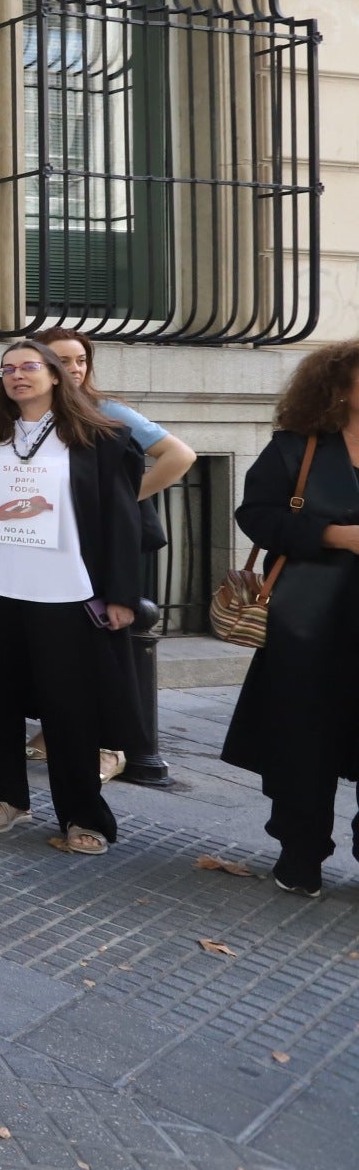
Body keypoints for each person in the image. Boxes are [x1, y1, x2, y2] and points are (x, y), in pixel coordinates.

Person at [0, 339, 143, 856]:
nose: (17, 376)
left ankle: (82, 815)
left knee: (71, 710)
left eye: (29, 367)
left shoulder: (102, 439)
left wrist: (122, 594)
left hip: (64, 593)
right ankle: (5, 797)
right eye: (8, 369)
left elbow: (121, 523)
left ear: (55, 374)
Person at [221, 341, 359, 896]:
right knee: (305, 742)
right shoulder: (294, 449)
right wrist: (334, 535)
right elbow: (255, 516)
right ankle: (301, 853)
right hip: (309, 625)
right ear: (339, 388)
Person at [35, 326, 197, 788]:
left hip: (105, 552)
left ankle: (110, 747)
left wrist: (121, 500)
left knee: (104, 640)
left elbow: (178, 455)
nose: (74, 369)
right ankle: (56, 728)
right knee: (61, 641)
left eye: (80, 360)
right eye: (63, 360)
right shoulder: (31, 412)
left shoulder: (105, 410)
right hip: (55, 546)